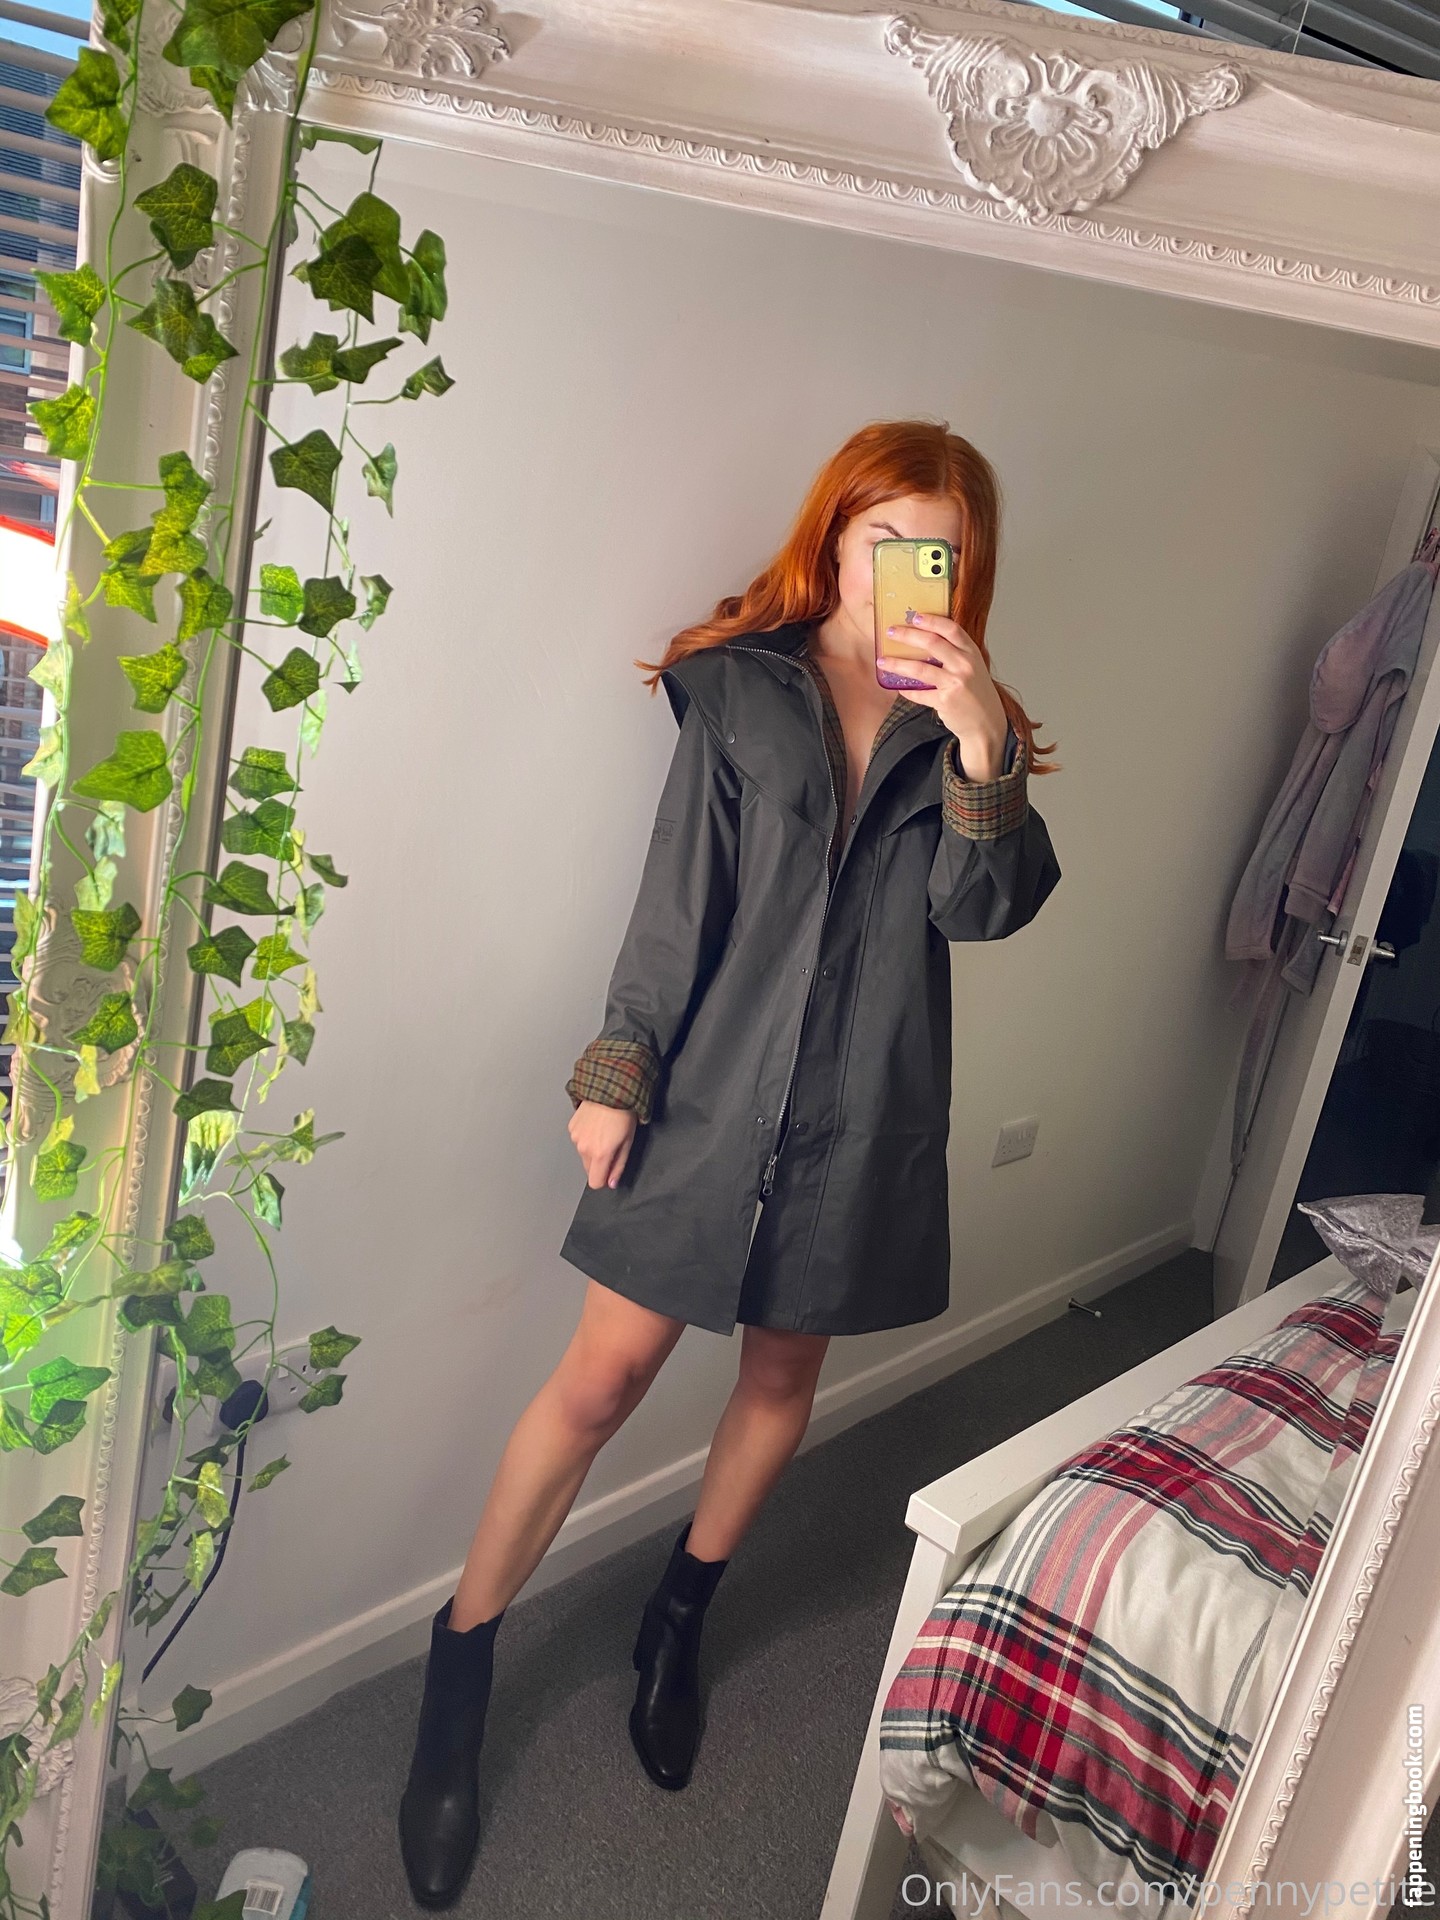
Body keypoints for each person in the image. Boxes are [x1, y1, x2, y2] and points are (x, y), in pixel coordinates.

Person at [397, 418, 1062, 1907]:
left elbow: (982, 910)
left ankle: (678, 1620)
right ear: (834, 533)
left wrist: (981, 742)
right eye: (884, 536)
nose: (906, 566)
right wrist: (617, 1071)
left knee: (778, 1378)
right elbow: (673, 903)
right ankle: (460, 1668)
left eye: (939, 546)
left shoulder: (976, 726)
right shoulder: (743, 692)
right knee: (601, 1383)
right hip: (703, 1102)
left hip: (861, 1117)